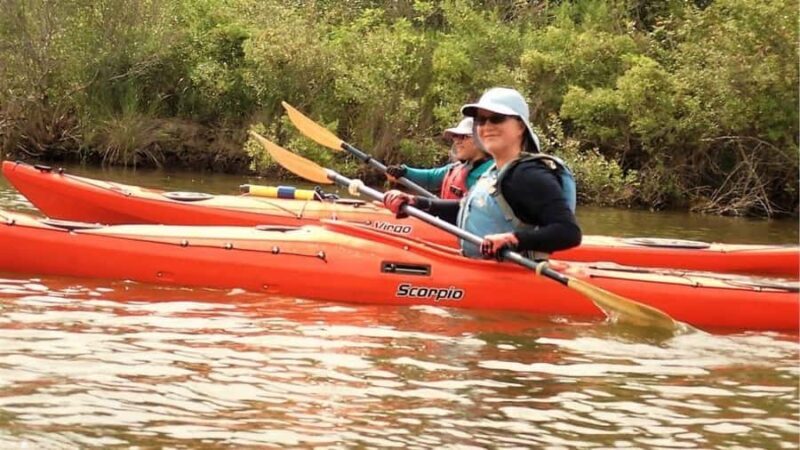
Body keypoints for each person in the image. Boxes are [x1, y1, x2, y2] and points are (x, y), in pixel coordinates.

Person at [383, 87, 581, 260]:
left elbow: (568, 232)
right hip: (483, 266)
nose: (487, 127)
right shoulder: (495, 172)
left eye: (497, 118)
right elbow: (470, 210)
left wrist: (514, 239)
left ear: (521, 126)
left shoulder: (528, 174)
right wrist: (418, 203)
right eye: (481, 120)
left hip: (510, 275)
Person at [385, 117, 493, 199]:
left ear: (480, 140)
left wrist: (423, 203)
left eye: (463, 136)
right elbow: (430, 177)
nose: (457, 141)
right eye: (455, 136)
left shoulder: (493, 174)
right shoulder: (456, 168)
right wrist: (404, 171)